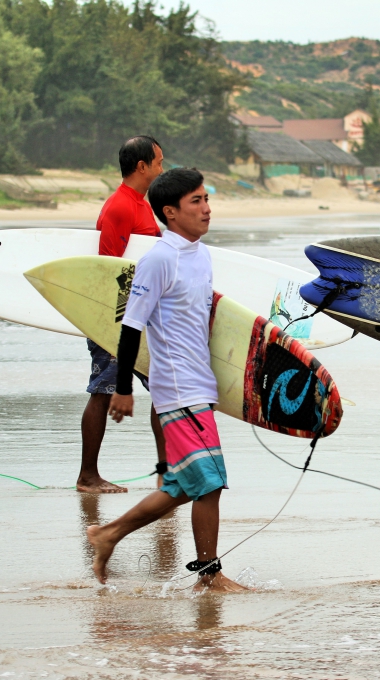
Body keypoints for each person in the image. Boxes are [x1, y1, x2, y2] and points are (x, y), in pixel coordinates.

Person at [86, 168, 246, 592]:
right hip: (177, 387)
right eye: (196, 201)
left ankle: (108, 534)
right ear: (170, 212)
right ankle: (209, 576)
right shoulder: (159, 258)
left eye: (207, 198)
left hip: (201, 384)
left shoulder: (201, 253)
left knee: (185, 484)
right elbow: (130, 326)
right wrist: (122, 388)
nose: (207, 208)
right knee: (209, 481)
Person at [79, 135, 167, 493]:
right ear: (142, 166)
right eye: (160, 162)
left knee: (163, 392)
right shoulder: (119, 207)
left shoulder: (142, 205)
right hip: (117, 319)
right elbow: (109, 270)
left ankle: (167, 474)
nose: (163, 168)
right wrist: (114, 330)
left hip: (144, 316)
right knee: (102, 392)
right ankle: (88, 476)